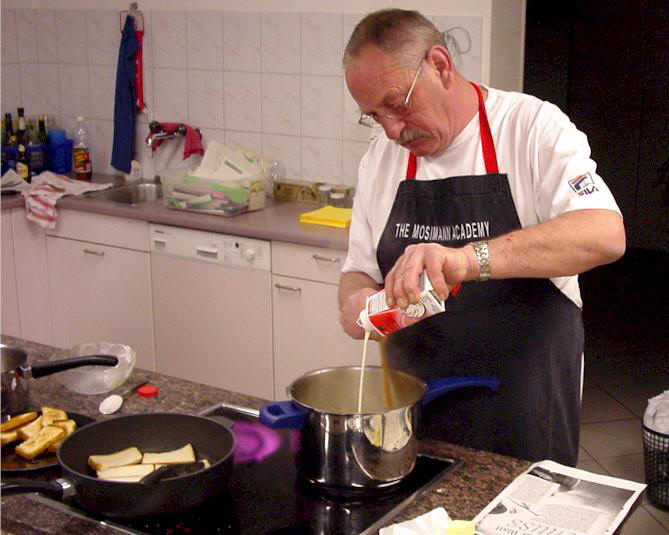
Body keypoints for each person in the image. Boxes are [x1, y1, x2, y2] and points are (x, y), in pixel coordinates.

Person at [338, 9, 625, 466]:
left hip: (523, 419)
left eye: (397, 104)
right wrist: (358, 306)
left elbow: (604, 233)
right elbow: (358, 272)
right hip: (417, 422)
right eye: (374, 116)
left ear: (440, 65)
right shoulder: (380, 160)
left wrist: (467, 261)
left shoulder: (531, 128)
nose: (391, 130)